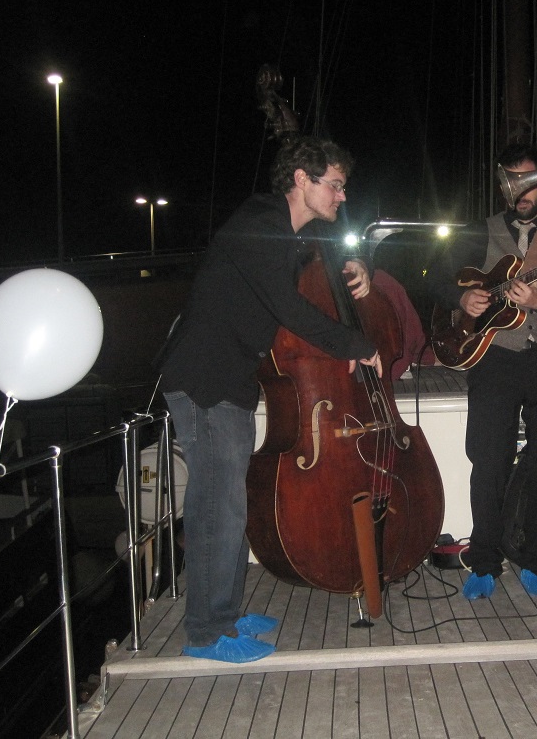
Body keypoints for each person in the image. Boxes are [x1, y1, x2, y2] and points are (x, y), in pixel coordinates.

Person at [156, 135, 381, 663]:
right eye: (336, 185)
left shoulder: (283, 234)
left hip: (229, 382)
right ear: (302, 180)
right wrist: (356, 344)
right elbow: (289, 309)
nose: (342, 196)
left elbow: (309, 285)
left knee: (229, 500)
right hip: (205, 381)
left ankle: (227, 614)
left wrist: (360, 265)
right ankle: (207, 633)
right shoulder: (262, 223)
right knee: (218, 507)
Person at [426, 143, 537, 600]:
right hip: (495, 356)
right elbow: (432, 277)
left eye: (530, 181)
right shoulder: (480, 232)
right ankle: (483, 561)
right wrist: (462, 299)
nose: (522, 191)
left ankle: (535, 558)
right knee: (489, 460)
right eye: (513, 181)